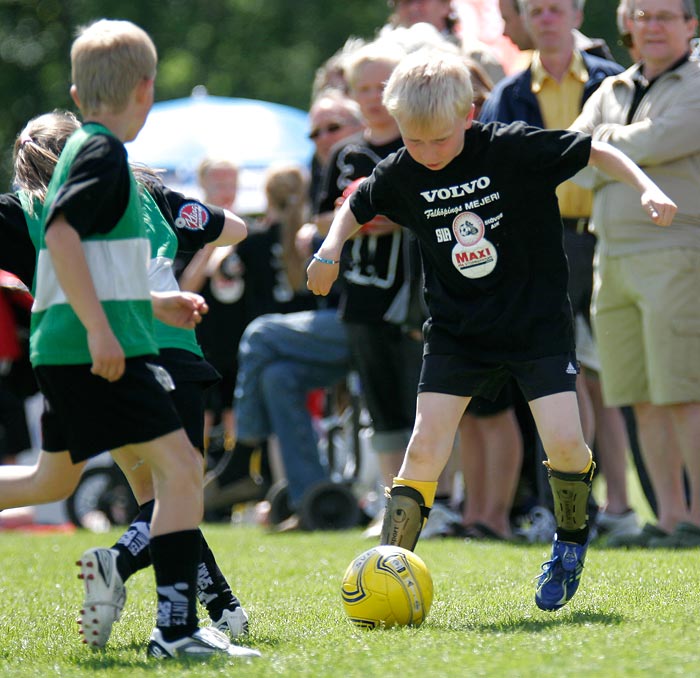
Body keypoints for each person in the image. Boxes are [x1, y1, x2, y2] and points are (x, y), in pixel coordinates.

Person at [307, 48, 676, 610]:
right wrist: (330, 248)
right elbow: (359, 200)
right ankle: (388, 567)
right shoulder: (404, 167)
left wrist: (646, 187)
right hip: (458, 331)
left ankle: (571, 541)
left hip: (535, 327)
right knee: (424, 446)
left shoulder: (511, 147)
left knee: (566, 444)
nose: (427, 154)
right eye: (413, 140)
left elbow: (597, 149)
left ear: (469, 115)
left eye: (440, 140)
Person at [25, 20, 258, 659]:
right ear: (147, 90)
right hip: (97, 348)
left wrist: (156, 302)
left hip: (84, 344)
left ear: (77, 91)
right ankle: (178, 631)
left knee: (51, 484)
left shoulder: (93, 153)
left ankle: (182, 624)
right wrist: (104, 331)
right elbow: (62, 236)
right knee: (181, 471)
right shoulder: (102, 153)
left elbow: (95, 261)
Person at [481, 0, 639, 541]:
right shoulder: (508, 92)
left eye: (556, 7)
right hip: (542, 246)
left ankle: (618, 506)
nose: (546, 18)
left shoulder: (614, 80)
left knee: (607, 379)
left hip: (608, 236)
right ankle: (580, 506)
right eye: (536, 9)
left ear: (576, 11)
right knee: (567, 377)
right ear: (523, 17)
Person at [571, 0, 700, 549]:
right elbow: (572, 157)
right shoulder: (613, 88)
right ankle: (669, 517)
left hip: (677, 250)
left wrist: (603, 148)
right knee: (640, 395)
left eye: (667, 15)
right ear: (628, 24)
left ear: (691, 26)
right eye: (643, 15)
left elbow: (661, 140)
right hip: (612, 255)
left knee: (683, 391)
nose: (653, 25)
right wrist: (608, 151)